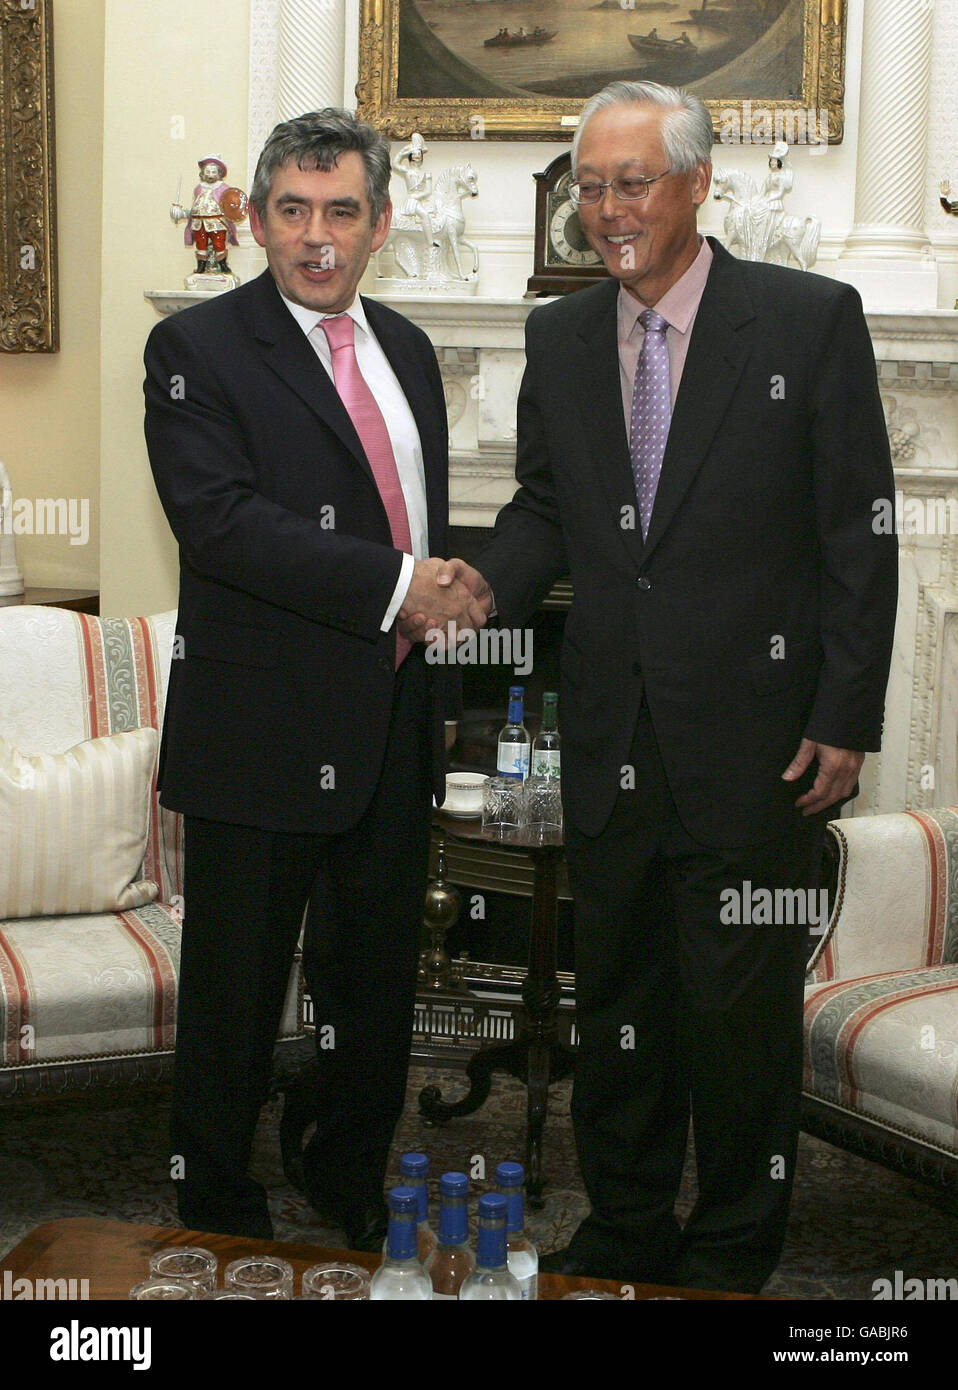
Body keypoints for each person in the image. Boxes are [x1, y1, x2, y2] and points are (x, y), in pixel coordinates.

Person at [455, 80, 898, 1293]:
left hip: (761, 746)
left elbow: (859, 536)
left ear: (698, 182)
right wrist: (474, 589)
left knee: (741, 1022)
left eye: (631, 181)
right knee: (625, 1007)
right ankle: (627, 1225)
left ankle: (731, 1250)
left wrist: (845, 717)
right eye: (590, 186)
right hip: (611, 741)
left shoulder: (807, 322)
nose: (606, 210)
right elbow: (547, 509)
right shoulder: (557, 336)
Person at [143, 108, 490, 1248]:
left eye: (341, 211)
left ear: (379, 223)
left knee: (373, 984)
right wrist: (403, 588)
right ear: (254, 218)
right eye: (291, 210)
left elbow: (423, 516)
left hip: (392, 718)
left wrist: (437, 636)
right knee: (235, 996)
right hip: (260, 724)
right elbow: (222, 525)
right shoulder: (194, 349)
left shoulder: (407, 349)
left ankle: (344, 1176)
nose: (315, 237)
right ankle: (216, 1200)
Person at [181, 156, 240, 276]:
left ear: (218, 173)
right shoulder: (198, 188)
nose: (210, 174)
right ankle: (201, 265)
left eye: (213, 172)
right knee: (200, 243)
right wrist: (184, 213)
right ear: (203, 173)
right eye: (208, 171)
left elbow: (230, 203)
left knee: (219, 242)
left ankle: (223, 264)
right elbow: (194, 207)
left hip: (216, 221)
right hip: (199, 221)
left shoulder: (223, 188)